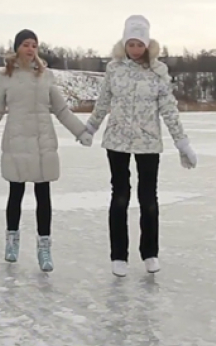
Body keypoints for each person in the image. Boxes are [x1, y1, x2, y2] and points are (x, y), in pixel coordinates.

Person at [0, 29, 92, 272]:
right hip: (17, 142)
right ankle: (12, 241)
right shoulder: (5, 77)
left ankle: (44, 248)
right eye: (26, 45)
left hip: (43, 143)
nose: (31, 49)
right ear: (17, 48)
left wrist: (80, 131)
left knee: (43, 196)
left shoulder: (46, 76)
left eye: (34, 45)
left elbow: (61, 110)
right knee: (16, 193)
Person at [83, 15, 198, 277]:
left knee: (148, 199)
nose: (135, 49)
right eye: (131, 43)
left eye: (140, 44)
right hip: (117, 140)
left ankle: (149, 253)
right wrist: (90, 127)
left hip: (148, 142)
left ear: (147, 45)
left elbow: (169, 110)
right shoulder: (114, 69)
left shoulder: (158, 72)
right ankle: (118, 255)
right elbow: (103, 103)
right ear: (124, 43)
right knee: (120, 196)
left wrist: (182, 143)